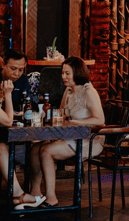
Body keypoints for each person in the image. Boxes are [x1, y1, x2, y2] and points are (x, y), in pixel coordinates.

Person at [27, 57, 105, 207]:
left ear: (77, 73)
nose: (63, 77)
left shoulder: (89, 92)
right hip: (72, 136)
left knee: (46, 151)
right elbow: (62, 114)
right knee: (35, 148)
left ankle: (51, 198)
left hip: (89, 139)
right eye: (63, 73)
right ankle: (35, 193)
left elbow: (100, 120)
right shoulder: (69, 91)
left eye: (67, 73)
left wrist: (76, 122)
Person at [0, 74, 45, 209]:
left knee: (1, 149)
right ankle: (17, 197)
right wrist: (8, 94)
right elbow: (7, 121)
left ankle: (17, 196)